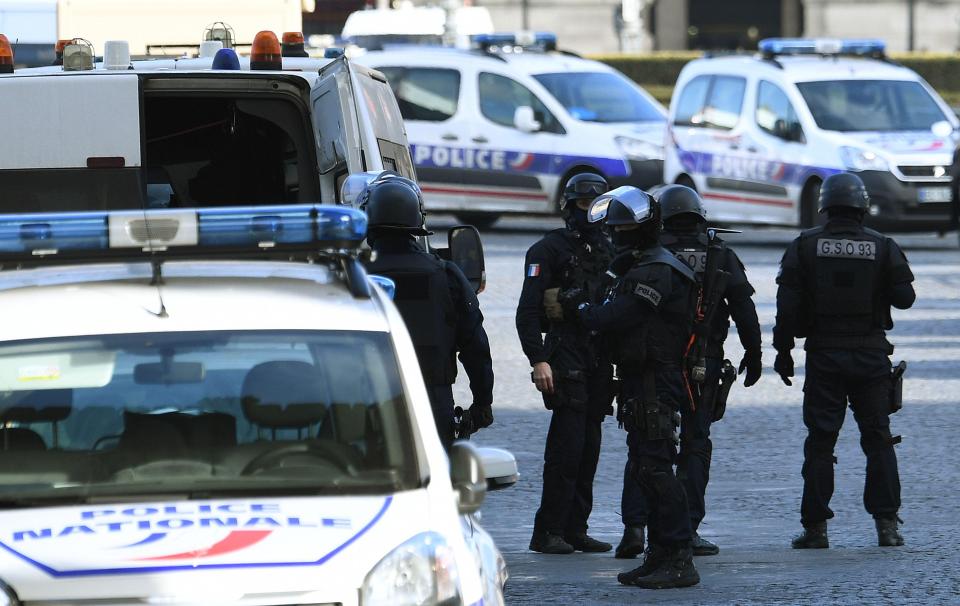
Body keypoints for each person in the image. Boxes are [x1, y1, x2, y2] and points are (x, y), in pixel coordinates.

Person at [563, 186, 700, 589]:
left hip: (658, 378)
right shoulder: (640, 263)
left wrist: (582, 310)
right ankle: (658, 554)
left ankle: (679, 557)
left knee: (657, 468)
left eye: (622, 228)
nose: (615, 235)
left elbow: (616, 315)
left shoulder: (657, 269)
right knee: (644, 468)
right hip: (641, 379)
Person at [617, 185, 762, 557]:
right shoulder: (719, 254)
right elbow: (743, 307)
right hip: (703, 361)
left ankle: (635, 529)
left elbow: (619, 303)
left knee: (645, 444)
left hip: (653, 362)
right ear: (700, 215)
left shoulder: (649, 251)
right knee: (696, 444)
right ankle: (689, 528)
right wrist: (755, 352)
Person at [773, 172, 915, 549]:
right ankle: (887, 526)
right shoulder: (882, 246)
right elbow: (905, 298)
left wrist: (783, 352)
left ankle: (816, 529)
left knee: (820, 443)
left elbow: (786, 308)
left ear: (824, 206)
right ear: (862, 207)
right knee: (879, 440)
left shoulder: (804, 246)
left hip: (824, 356)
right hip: (870, 356)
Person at [516, 172, 616, 555]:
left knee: (589, 446)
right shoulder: (548, 250)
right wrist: (538, 360)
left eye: (598, 206)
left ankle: (576, 527)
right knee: (567, 449)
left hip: (599, 358)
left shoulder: (610, 249)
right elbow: (527, 313)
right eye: (582, 206)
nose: (590, 214)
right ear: (569, 207)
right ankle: (549, 530)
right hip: (566, 355)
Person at [362, 175, 494, 449]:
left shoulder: (353, 277)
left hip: (366, 402)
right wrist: (482, 403)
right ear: (416, 222)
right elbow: (475, 346)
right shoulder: (445, 274)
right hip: (432, 401)